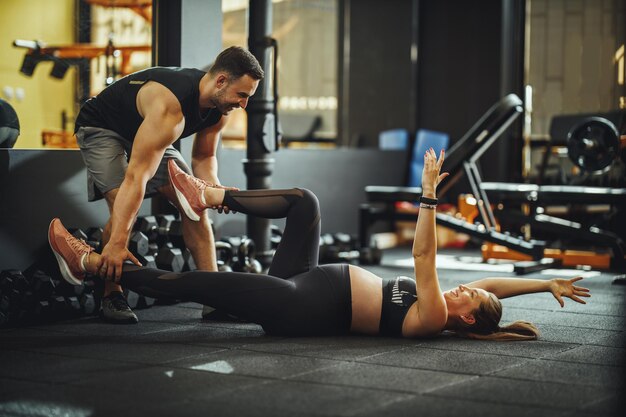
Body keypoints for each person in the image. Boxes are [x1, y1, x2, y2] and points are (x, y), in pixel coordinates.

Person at [48, 150, 591, 339]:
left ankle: (93, 265)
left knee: (195, 281)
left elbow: (425, 254)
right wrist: (544, 282)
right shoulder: (461, 305)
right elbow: (493, 288)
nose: (467, 287)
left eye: (469, 296)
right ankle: (211, 198)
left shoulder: (431, 315)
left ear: (467, 320)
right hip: (305, 279)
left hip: (298, 305)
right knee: (305, 201)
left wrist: (428, 196)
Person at [73, 46, 263, 323]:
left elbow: (204, 156)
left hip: (151, 133)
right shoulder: (170, 106)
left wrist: (213, 192)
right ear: (221, 81)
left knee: (194, 204)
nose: (243, 104)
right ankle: (111, 293)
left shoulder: (220, 108)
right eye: (242, 95)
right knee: (122, 204)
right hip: (104, 128)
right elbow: (136, 176)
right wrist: (117, 244)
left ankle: (213, 296)